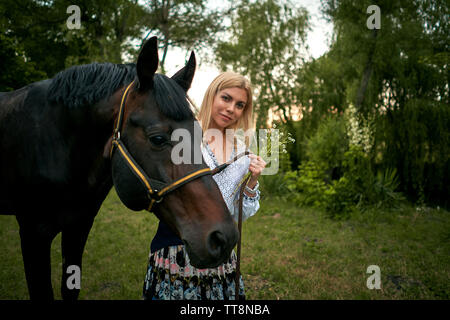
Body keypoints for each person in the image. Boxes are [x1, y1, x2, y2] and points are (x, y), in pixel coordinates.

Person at [142, 72, 266, 300]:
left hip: (220, 250)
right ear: (212, 95)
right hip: (177, 246)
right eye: (226, 98)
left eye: (240, 105)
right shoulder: (183, 138)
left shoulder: (241, 152)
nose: (231, 109)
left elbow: (239, 213)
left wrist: (253, 181)